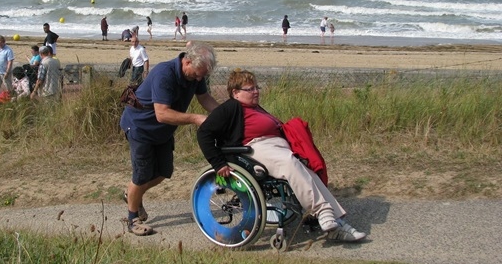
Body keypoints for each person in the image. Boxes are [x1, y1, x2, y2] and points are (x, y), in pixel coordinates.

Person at [197, 70, 366, 242]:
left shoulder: (256, 109)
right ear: (236, 93)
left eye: (257, 87)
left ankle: (336, 224)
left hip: (277, 147)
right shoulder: (230, 107)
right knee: (288, 162)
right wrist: (218, 163)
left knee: (309, 172)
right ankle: (323, 211)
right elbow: (204, 133)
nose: (256, 91)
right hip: (254, 149)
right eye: (250, 89)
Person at [120, 41, 220, 236]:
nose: (200, 77)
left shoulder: (197, 74)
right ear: (187, 61)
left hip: (163, 131)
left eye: (204, 75)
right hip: (141, 127)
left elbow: (204, 97)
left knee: (163, 172)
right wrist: (196, 118)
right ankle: (132, 219)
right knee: (141, 175)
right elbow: (162, 114)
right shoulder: (164, 74)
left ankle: (132, 194)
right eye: (199, 73)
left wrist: (223, 114)